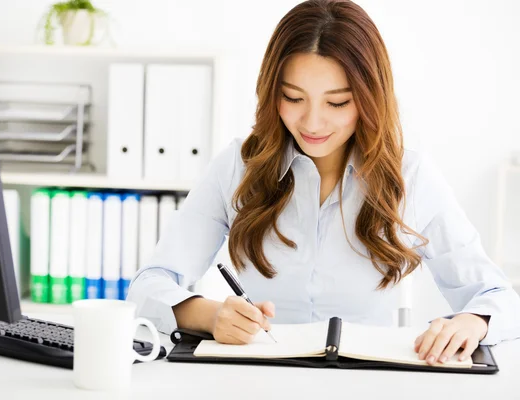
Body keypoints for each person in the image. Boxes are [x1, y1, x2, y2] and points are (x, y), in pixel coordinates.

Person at [127, 0, 520, 365]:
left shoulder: (411, 177)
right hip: (255, 379)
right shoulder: (238, 167)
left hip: (367, 383)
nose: (312, 123)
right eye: (293, 98)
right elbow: (148, 287)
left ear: (370, 98)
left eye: (337, 103)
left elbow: (501, 298)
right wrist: (211, 315)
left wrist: (472, 322)